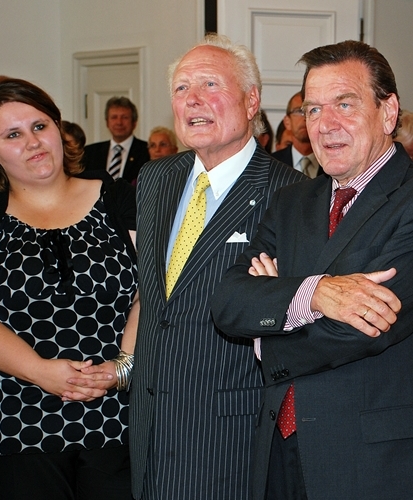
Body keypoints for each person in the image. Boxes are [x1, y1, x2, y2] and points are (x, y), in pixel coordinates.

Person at [211, 40, 413, 499]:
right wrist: (314, 294)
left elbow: (367, 326)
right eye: (312, 110)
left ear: (387, 112)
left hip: (379, 464)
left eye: (344, 105)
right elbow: (228, 301)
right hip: (278, 456)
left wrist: (268, 323)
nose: (325, 125)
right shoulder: (292, 201)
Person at [129, 34, 305, 500]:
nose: (193, 100)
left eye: (210, 84)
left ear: (251, 101)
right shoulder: (155, 178)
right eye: (182, 88)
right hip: (148, 434)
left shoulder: (291, 195)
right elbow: (156, 301)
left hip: (231, 437)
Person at [0, 78, 139, 499]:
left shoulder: (118, 197)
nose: (33, 143)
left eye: (40, 126)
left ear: (59, 128)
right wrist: (41, 372)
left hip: (114, 419)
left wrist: (123, 368)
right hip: (7, 422)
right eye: (12, 134)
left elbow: (149, 293)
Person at [82, 96, 150, 183]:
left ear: (134, 123)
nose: (119, 122)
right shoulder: (90, 153)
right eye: (114, 117)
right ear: (107, 122)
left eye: (125, 117)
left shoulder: (147, 151)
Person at [272, 91, 322, 178]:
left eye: (313, 110)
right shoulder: (272, 163)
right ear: (287, 122)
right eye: (299, 111)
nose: (305, 117)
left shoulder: (334, 161)